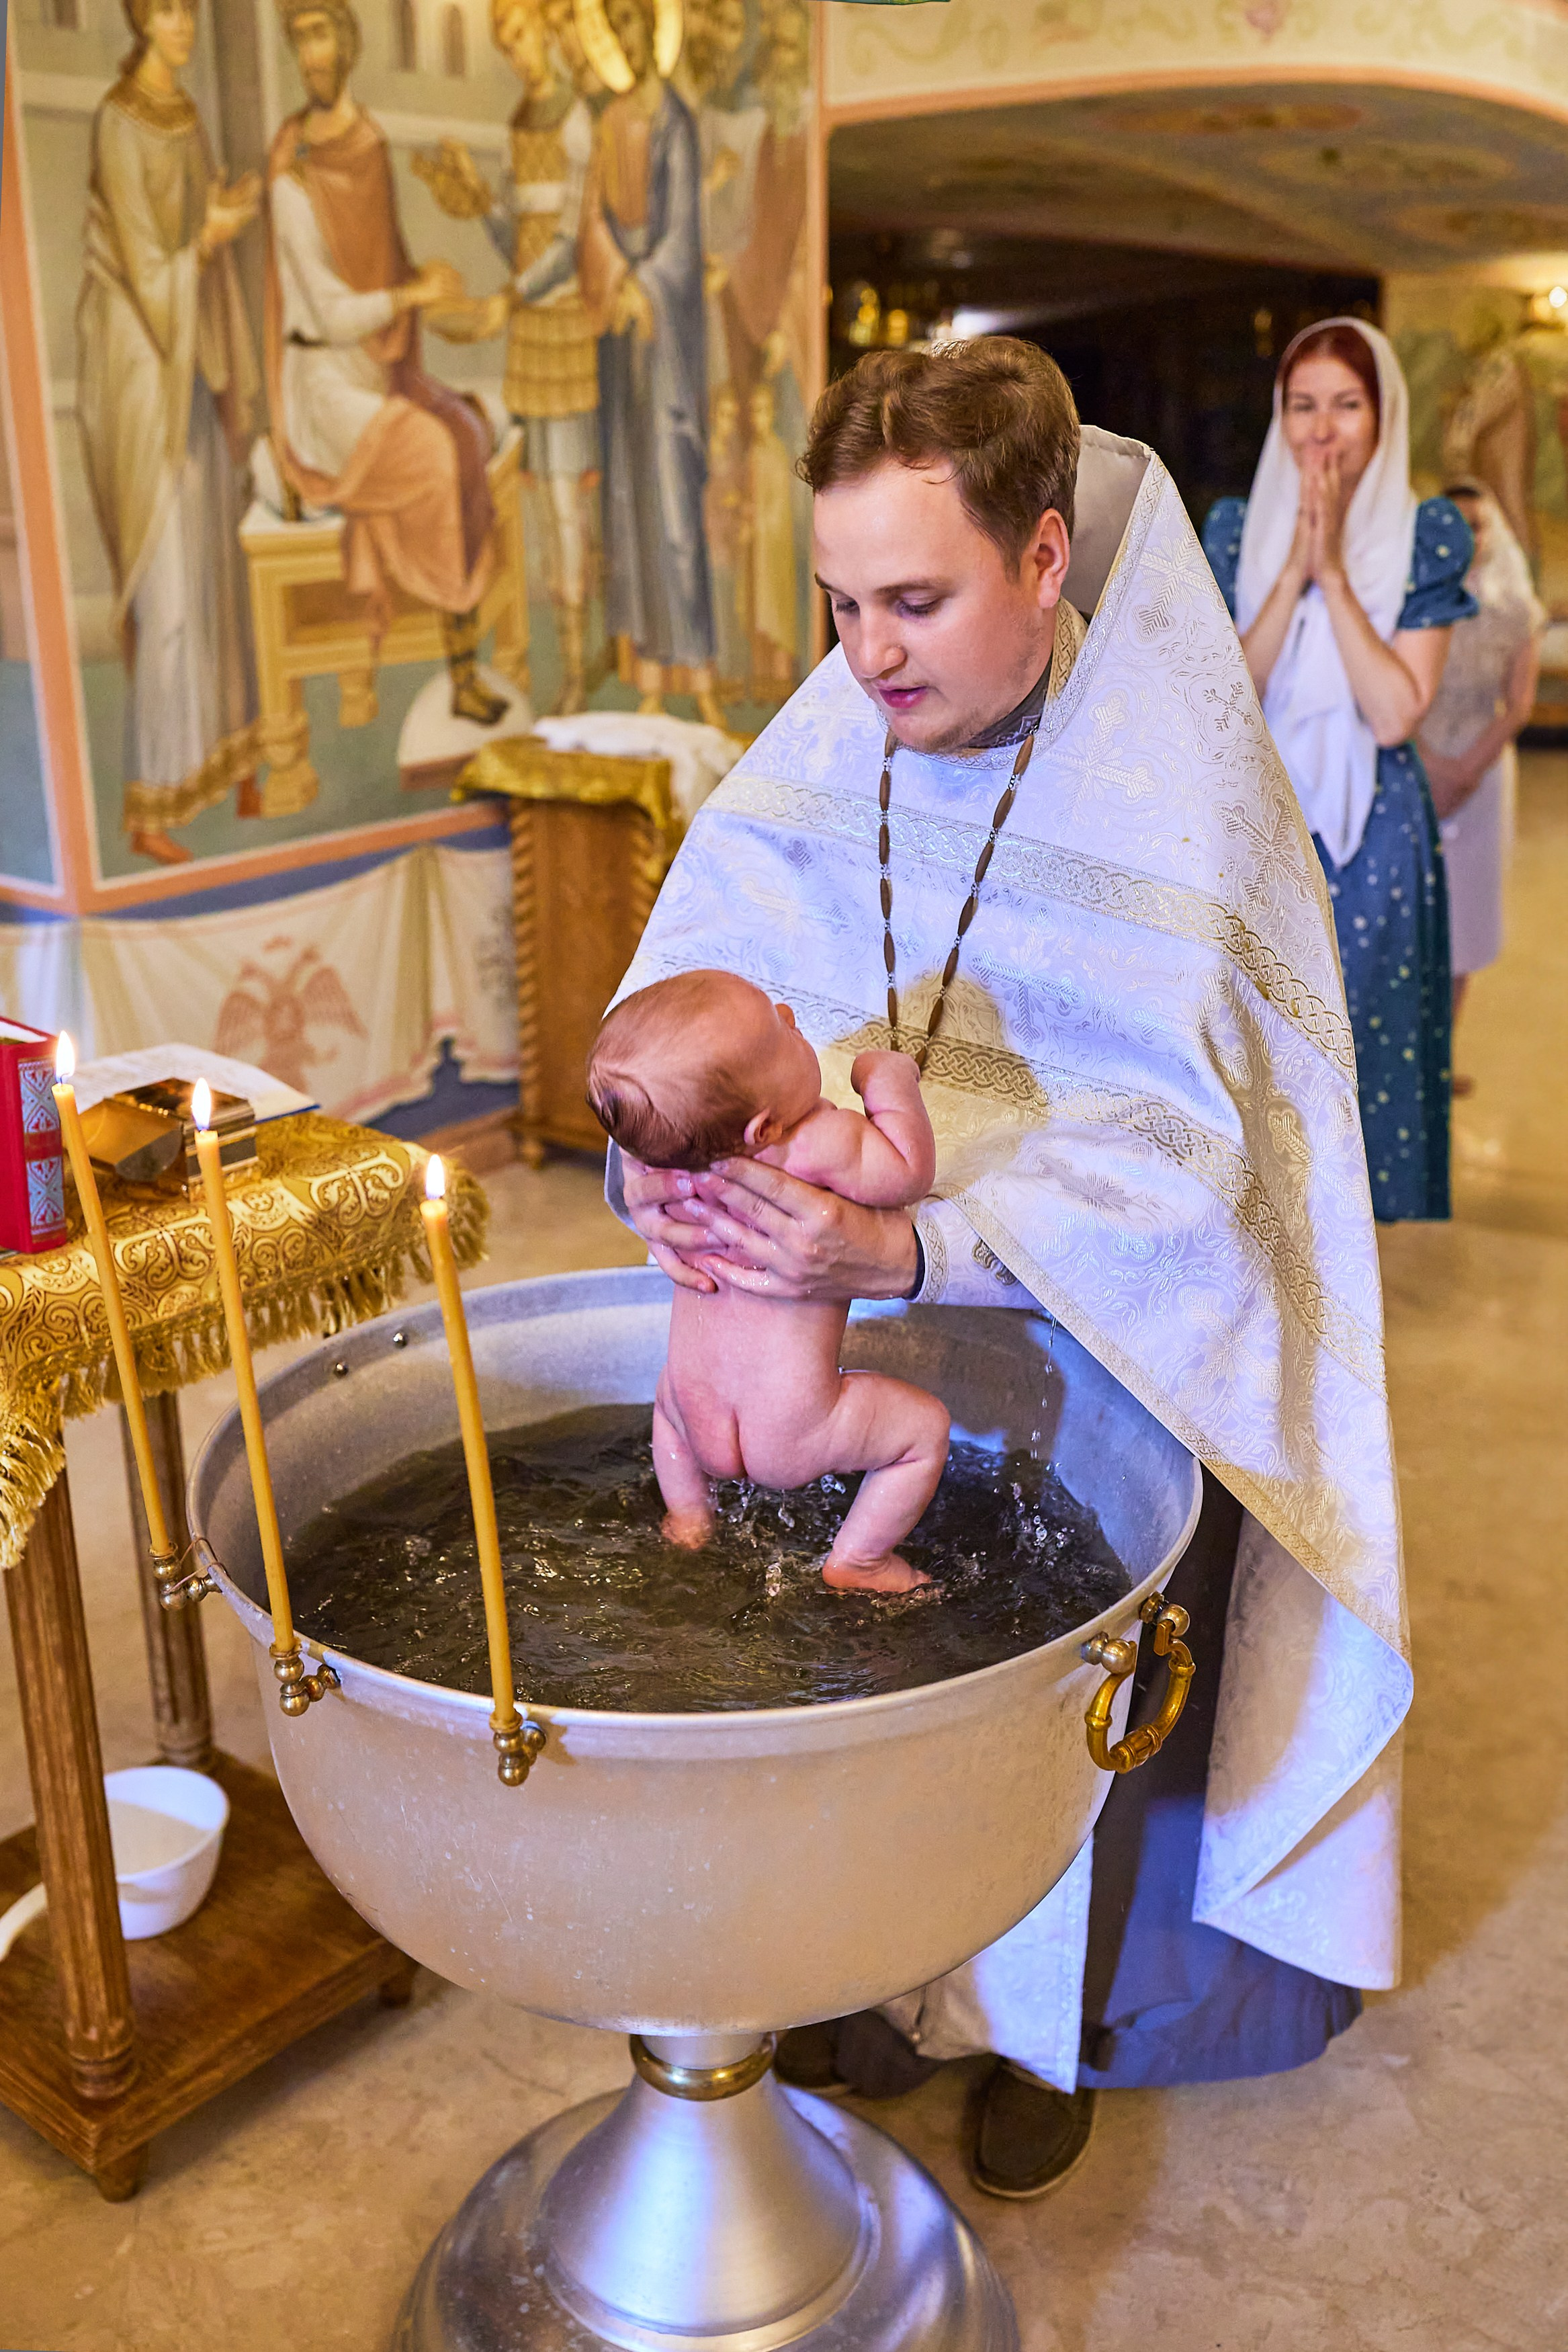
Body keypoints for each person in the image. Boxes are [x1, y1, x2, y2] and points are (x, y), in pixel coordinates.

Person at [603, 339, 1411, 2195]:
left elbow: (1201, 1174)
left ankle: (1055, 2026)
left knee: (1073, 1694)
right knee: (855, 1653)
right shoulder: (822, 750)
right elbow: (683, 1024)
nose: (864, 650)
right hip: (853, 1350)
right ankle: (869, 1975)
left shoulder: (1180, 798)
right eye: (836, 597)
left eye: (914, 597)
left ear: (1041, 558)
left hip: (1099, 1349)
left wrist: (906, 1233)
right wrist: (672, 1183)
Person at [1203, 319, 1475, 1221]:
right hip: (1256, 830)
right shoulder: (1237, 529)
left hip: (1376, 848)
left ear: (1383, 416)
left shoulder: (1425, 534)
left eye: (1346, 406)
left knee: (1356, 1066)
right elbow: (1228, 697)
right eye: (1302, 404)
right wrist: (1289, 574)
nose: (1321, 430)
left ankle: (1343, 1303)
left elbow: (1397, 710)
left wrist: (1339, 579)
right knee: (1250, 1057)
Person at [588, 970, 946, 1587]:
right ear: (763, 1131)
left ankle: (689, 1520)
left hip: (688, 1413)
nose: (787, 1011)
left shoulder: (658, 1167)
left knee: (667, 1403)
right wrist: (889, 1082)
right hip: (796, 1431)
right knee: (924, 1431)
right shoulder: (818, 1146)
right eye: (781, 1032)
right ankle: (860, 1561)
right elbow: (908, 1173)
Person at [265, 0, 507, 724]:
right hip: (323, 388)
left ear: (346, 45)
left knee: (471, 427)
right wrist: (413, 293)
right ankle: (458, 669)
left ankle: (464, 660)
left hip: (375, 373)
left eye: (322, 36)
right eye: (299, 38)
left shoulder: (366, 144)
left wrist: (448, 308)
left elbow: (391, 271)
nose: (312, 53)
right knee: (435, 453)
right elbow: (337, 311)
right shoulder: (291, 175)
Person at [77, 0, 263, 866]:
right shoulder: (118, 121)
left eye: (191, 9)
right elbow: (145, 260)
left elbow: (189, 237)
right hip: (141, 378)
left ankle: (222, 760)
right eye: (169, 11)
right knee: (168, 595)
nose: (185, 24)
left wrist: (221, 216)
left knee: (216, 577)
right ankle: (150, 798)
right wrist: (208, 237)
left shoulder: (184, 118)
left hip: (192, 364)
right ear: (141, 20)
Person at [417, 0, 602, 715]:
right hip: (528, 333)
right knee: (531, 504)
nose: (516, 53)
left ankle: (579, 673)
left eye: (521, 36)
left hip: (561, 332)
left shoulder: (579, 121)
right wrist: (474, 201)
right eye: (505, 43)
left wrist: (506, 299)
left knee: (564, 508)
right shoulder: (518, 125)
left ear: (549, 34)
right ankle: (548, 653)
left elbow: (566, 245)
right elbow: (518, 236)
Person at [576, 0, 725, 727]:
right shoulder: (609, 124)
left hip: (663, 333)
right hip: (620, 335)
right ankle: (650, 678)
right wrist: (614, 279)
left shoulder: (676, 121)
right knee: (631, 500)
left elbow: (683, 234)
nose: (627, 39)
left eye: (636, 23)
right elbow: (592, 223)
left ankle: (696, 671)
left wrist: (646, 286)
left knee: (672, 501)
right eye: (616, 27)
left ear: (650, 32)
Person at [1417, 479, 1543, 1087]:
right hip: (1412, 759)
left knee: (1465, 917)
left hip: (1485, 768)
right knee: (1411, 911)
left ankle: (1442, 1056)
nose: (1469, 535)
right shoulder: (1405, 597)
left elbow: (1518, 707)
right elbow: (1390, 694)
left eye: (1480, 523)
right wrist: (1433, 764)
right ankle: (1398, 1048)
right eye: (1455, 521)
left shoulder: (1520, 611)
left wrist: (1468, 768)